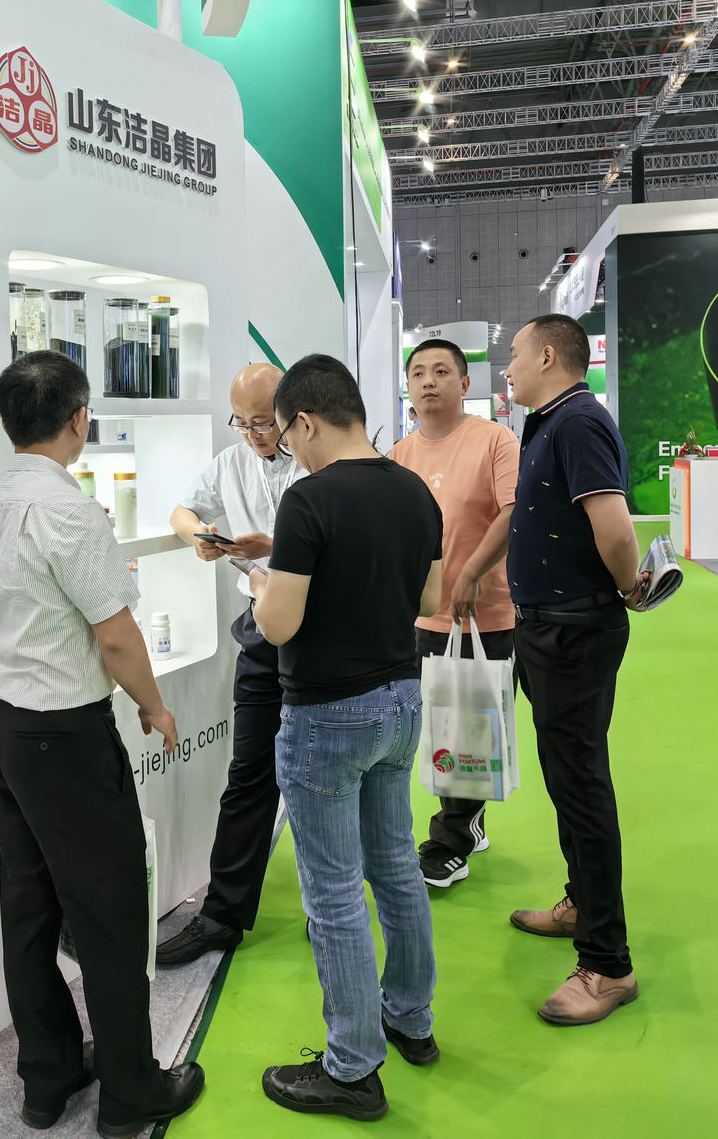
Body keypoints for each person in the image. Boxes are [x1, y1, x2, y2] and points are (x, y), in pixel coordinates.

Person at [0, 352, 204, 1138]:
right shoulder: (69, 511)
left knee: (28, 903)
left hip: (1, 723)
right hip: (63, 732)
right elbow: (117, 636)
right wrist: (155, 705)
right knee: (108, 911)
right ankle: (131, 1091)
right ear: (78, 419)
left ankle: (50, 1075)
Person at [250, 355, 443, 1121]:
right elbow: (430, 595)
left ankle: (353, 1066)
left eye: (284, 433)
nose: (288, 448)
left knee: (332, 891)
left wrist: (263, 588)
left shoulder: (308, 499)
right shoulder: (414, 488)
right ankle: (411, 1019)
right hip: (401, 699)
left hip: (328, 713)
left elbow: (279, 625)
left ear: (305, 421)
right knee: (395, 867)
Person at [505, 315, 646, 1027]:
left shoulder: (580, 422)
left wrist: (629, 587)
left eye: (513, 354)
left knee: (582, 786)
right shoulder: (550, 422)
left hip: (574, 632)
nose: (507, 366)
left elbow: (615, 529)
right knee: (567, 778)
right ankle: (582, 904)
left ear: (547, 356)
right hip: (547, 631)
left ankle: (608, 964)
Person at [156, 362, 305, 965]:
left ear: (292, 414)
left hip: (318, 630)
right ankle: (222, 914)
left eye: (263, 423)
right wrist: (200, 535)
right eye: (241, 423)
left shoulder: (319, 459)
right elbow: (181, 512)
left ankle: (333, 905)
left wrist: (274, 546)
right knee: (248, 773)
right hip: (261, 631)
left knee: (327, 778)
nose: (253, 434)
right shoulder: (231, 461)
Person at [389, 338, 520, 888]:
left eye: (442, 371)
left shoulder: (494, 439)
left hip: (482, 614)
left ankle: (451, 842)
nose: (428, 381)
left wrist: (469, 572)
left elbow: (514, 510)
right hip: (421, 617)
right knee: (434, 728)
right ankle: (467, 818)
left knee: (470, 731)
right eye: (418, 372)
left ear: (465, 384)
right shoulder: (398, 455)